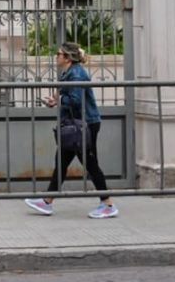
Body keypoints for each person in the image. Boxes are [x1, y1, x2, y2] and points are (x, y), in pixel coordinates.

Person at [25, 41, 118, 219]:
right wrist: (56, 100)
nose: (56, 56)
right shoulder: (69, 72)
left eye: (59, 54)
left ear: (67, 57)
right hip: (74, 125)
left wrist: (57, 101)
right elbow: (70, 97)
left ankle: (108, 204)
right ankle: (47, 202)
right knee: (61, 162)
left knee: (90, 164)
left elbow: (75, 99)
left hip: (85, 124)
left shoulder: (76, 74)